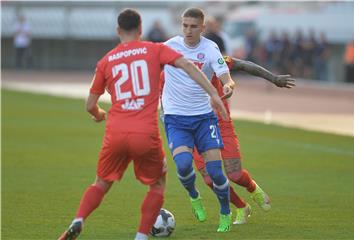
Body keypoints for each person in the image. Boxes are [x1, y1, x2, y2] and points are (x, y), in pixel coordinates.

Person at [58, 9, 228, 240]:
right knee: (157, 184)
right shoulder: (154, 50)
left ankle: (79, 218)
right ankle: (141, 236)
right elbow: (188, 66)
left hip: (115, 132)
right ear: (140, 29)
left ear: (118, 31)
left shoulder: (106, 60)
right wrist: (214, 94)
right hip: (144, 134)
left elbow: (90, 104)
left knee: (101, 182)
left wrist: (98, 114)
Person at [192, 55, 295, 225]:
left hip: (221, 125)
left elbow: (245, 65)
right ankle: (241, 207)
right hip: (195, 128)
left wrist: (274, 78)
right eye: (186, 26)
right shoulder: (177, 60)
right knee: (210, 180)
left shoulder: (213, 58)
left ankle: (253, 188)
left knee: (235, 175)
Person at [162, 7, 235, 233]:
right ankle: (194, 196)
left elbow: (226, 77)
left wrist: (228, 85)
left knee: (215, 173)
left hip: (204, 119)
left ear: (202, 28)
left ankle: (225, 212)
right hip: (176, 118)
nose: (188, 30)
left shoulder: (211, 48)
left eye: (193, 26)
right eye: (185, 25)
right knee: (183, 165)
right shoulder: (169, 47)